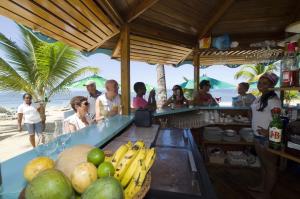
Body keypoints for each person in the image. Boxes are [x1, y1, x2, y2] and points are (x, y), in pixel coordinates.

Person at [249, 72, 281, 199]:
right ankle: (262, 187)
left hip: (267, 138)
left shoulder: (274, 100)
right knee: (263, 164)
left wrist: (268, 132)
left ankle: (266, 194)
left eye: (265, 83)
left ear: (272, 85)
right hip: (258, 136)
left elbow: (278, 119)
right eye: (259, 82)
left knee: (270, 166)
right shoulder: (260, 98)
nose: (260, 85)